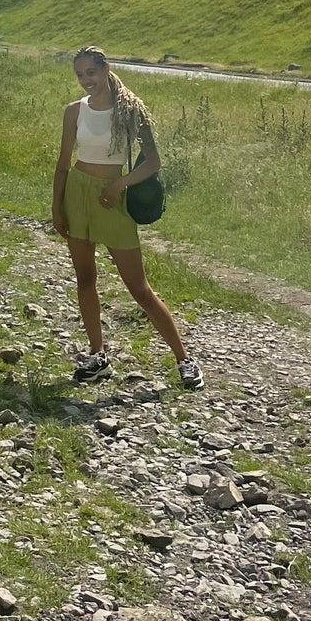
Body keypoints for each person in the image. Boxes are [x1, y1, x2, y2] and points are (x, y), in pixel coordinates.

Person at [51, 44, 203, 389]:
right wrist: (56, 207)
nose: (85, 80)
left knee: (138, 287)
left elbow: (153, 162)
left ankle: (185, 360)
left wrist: (119, 184)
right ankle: (97, 355)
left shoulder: (130, 110)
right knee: (85, 278)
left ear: (106, 69)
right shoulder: (73, 111)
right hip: (78, 194)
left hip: (113, 200)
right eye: (79, 74)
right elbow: (62, 164)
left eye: (90, 72)